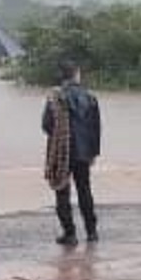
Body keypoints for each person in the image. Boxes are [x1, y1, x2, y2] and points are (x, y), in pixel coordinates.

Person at [42, 60, 102, 246]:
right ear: (77, 74)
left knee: (62, 190)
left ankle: (70, 233)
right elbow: (96, 128)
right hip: (84, 151)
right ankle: (91, 232)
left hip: (61, 151)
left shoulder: (55, 97)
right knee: (85, 190)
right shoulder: (91, 97)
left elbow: (46, 125)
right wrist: (93, 152)